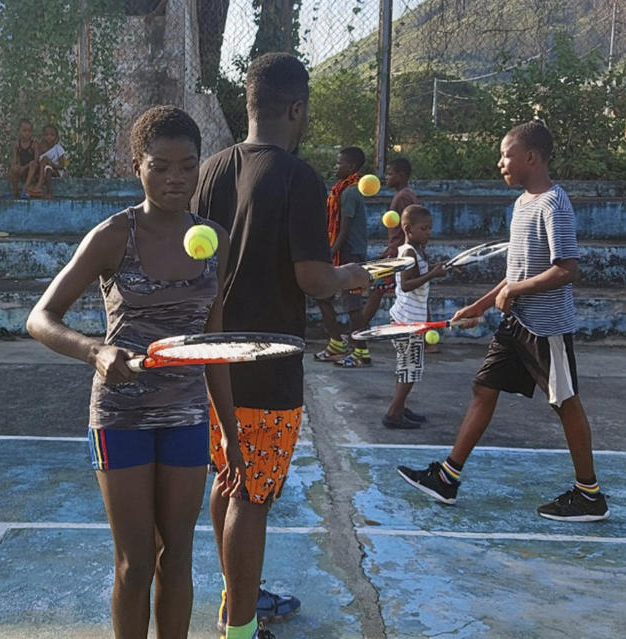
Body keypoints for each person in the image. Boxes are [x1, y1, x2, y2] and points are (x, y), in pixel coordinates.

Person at [25, 105, 245, 637]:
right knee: (136, 562)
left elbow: (212, 345)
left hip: (187, 419)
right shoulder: (112, 236)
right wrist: (96, 352)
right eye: (160, 165)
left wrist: (231, 436)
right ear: (136, 167)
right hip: (120, 417)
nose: (175, 178)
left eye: (187, 166)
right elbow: (40, 318)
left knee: (178, 558)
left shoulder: (214, 240)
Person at [193, 53, 369, 639]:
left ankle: (235, 598)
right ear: (296, 109)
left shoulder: (211, 170)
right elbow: (313, 277)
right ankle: (240, 627)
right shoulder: (297, 175)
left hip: (212, 358)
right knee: (253, 493)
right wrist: (353, 277)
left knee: (229, 478)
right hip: (267, 361)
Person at [397, 121, 610, 522]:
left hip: (546, 326)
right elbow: (516, 271)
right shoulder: (522, 204)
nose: (500, 163)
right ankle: (447, 477)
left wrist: (512, 293)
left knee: (565, 403)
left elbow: (567, 270)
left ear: (531, 158)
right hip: (515, 324)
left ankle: (590, 495)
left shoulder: (554, 203)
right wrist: (481, 304)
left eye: (506, 155)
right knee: (483, 387)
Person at [382, 204, 449, 429]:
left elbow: (422, 277)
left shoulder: (418, 249)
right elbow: (407, 284)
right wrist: (433, 273)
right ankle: (393, 414)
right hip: (406, 321)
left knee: (409, 368)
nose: (429, 232)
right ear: (409, 230)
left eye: (430, 228)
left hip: (414, 319)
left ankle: (400, 407)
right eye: (424, 228)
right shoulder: (408, 252)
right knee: (409, 370)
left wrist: (437, 270)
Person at [313, 146, 371, 368]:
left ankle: (361, 351)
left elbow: (344, 230)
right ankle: (336, 344)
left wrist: (329, 253)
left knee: (353, 306)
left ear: (352, 167)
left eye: (339, 163)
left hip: (350, 254)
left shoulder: (349, 193)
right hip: (344, 252)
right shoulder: (343, 190)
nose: (335, 166)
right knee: (324, 297)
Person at [361, 157, 419, 327]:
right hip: (400, 251)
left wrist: (393, 249)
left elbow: (409, 226)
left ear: (401, 175)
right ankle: (428, 340)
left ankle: (356, 332)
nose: (386, 177)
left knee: (377, 291)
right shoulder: (407, 194)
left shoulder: (402, 197)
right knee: (415, 293)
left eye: (389, 174)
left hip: (398, 254)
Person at [26, 123, 67, 198]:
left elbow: (62, 166)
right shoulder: (40, 149)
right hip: (42, 171)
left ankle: (48, 191)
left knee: (47, 168)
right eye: (46, 135)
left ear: (56, 137)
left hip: (55, 171)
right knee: (39, 164)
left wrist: (51, 164)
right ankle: (30, 188)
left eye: (52, 135)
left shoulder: (58, 148)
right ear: (43, 136)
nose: (49, 137)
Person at [8, 119, 39, 198]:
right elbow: (14, 159)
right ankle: (15, 191)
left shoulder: (34, 144)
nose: (27, 133)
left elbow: (36, 160)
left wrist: (24, 167)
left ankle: (25, 188)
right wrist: (16, 167)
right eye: (24, 131)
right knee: (13, 168)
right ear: (19, 131)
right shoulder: (17, 144)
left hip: (32, 170)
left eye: (29, 131)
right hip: (23, 169)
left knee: (33, 164)